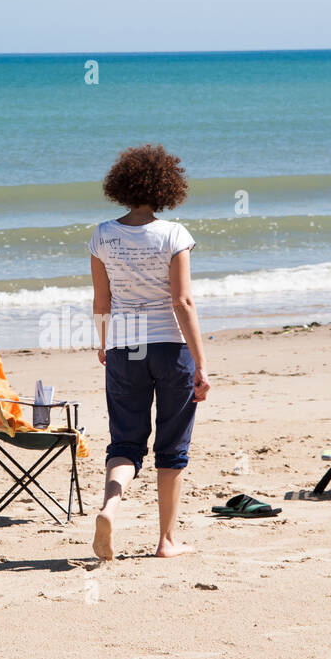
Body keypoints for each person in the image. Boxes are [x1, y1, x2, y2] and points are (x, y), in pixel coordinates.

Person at [88, 143, 210, 560]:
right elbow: (183, 303)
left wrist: (105, 345)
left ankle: (110, 507)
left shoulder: (102, 234)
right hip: (171, 348)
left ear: (121, 186)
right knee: (172, 446)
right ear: (167, 188)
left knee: (124, 442)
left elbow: (101, 302)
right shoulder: (174, 234)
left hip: (125, 346)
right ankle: (166, 541)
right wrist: (202, 364)